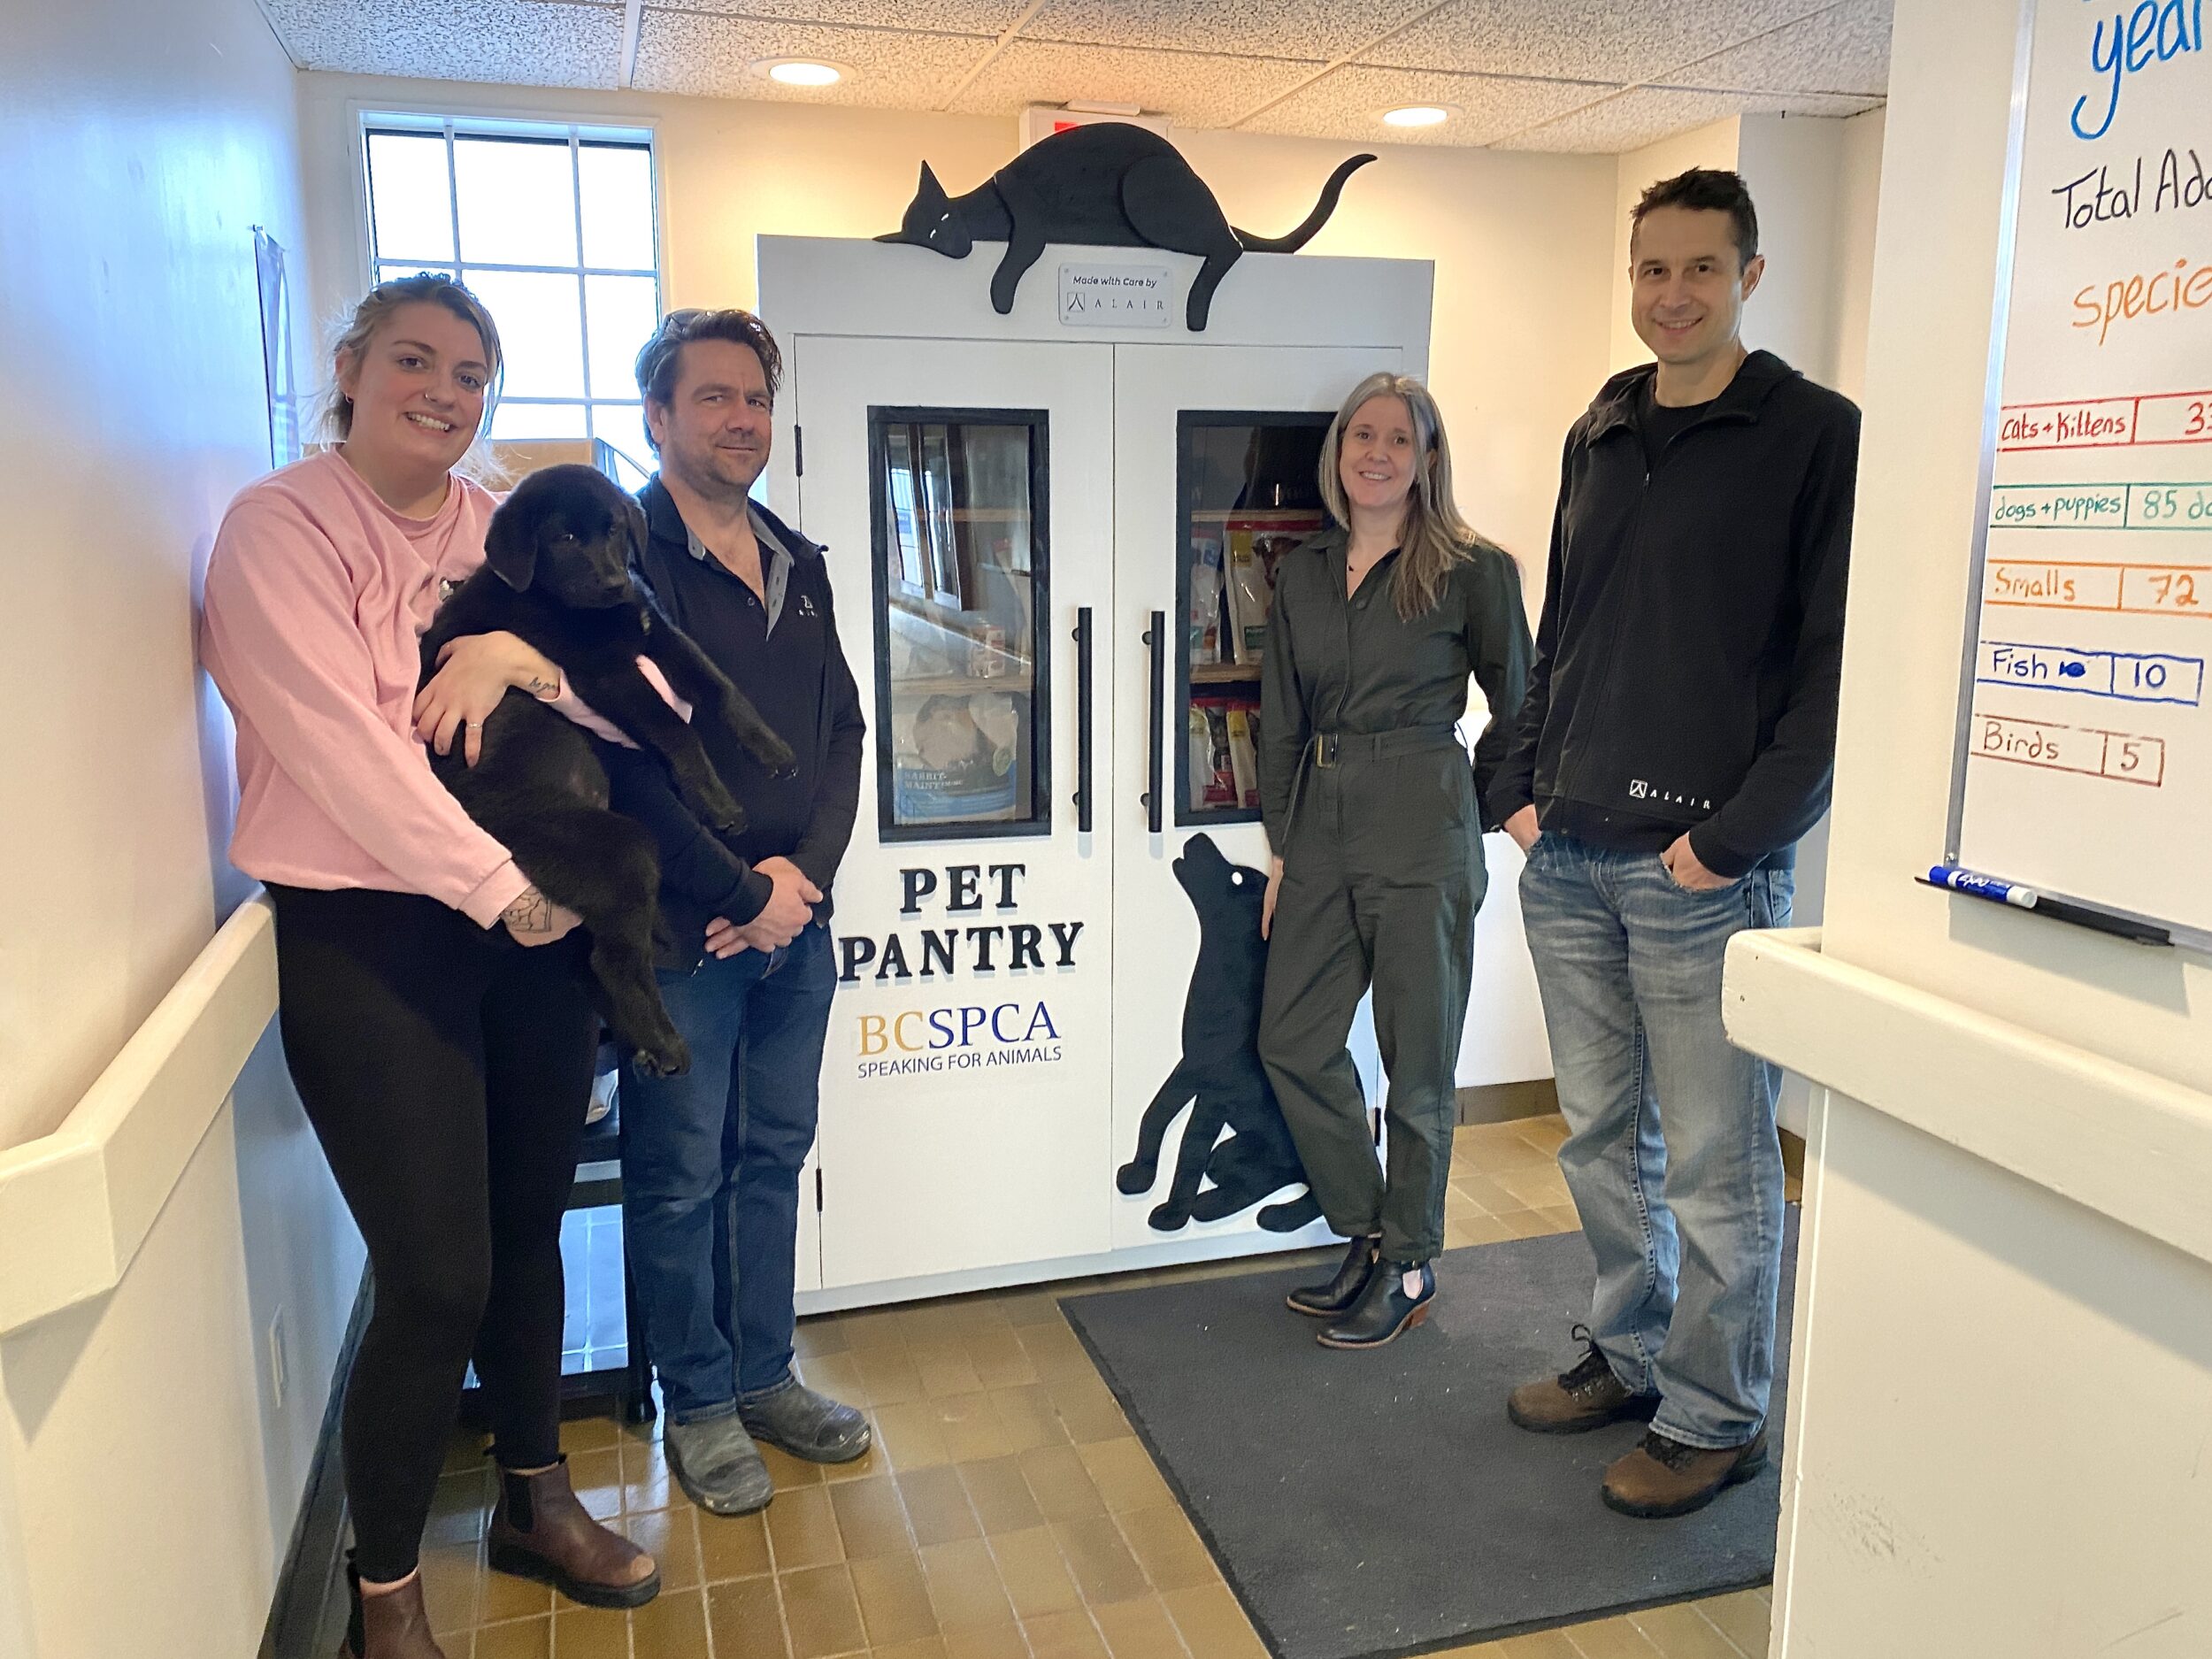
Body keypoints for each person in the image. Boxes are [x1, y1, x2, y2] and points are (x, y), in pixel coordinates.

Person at [200, 273, 658, 1659]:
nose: (446, 393)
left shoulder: (500, 529)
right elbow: (345, 745)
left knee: (530, 1226)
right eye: (416, 361)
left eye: (472, 375)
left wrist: (526, 651)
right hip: (373, 931)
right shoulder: (278, 529)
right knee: (436, 1269)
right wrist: (502, 886)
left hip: (524, 934)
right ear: (350, 368)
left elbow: (647, 702)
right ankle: (383, 1589)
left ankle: (534, 1492)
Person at [1494, 169, 1859, 1520]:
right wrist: (1518, 786)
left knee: (1715, 1155)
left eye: (1702, 268)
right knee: (1601, 1138)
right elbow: (1564, 627)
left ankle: (1717, 1416)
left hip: (1702, 873)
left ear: (1750, 274)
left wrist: (1733, 840)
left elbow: (1836, 673)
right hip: (1574, 852)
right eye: (1653, 269)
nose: (1673, 294)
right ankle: (1631, 1352)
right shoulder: (1604, 425)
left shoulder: (1816, 435)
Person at [612, 308, 868, 1517]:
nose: (738, 418)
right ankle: (699, 1402)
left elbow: (842, 735)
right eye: (710, 397)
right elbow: (623, 757)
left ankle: (765, 1374)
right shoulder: (625, 561)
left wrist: (799, 883)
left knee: (771, 1157)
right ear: (657, 416)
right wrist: (739, 892)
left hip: (791, 932)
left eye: (754, 398)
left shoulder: (798, 563)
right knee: (677, 1177)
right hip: (682, 936)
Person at [1256, 372, 1532, 1350]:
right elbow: (1281, 715)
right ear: (1338, 452)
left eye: (1397, 440)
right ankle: (1371, 1227)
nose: (1375, 453)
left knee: (1419, 1068)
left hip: (1423, 812)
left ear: (1425, 460)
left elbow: (1522, 703)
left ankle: (1411, 1261)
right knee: (1290, 1039)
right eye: (1359, 435)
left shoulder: (1470, 568)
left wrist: (1506, 804)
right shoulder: (1300, 570)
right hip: (1320, 821)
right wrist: (1283, 849)